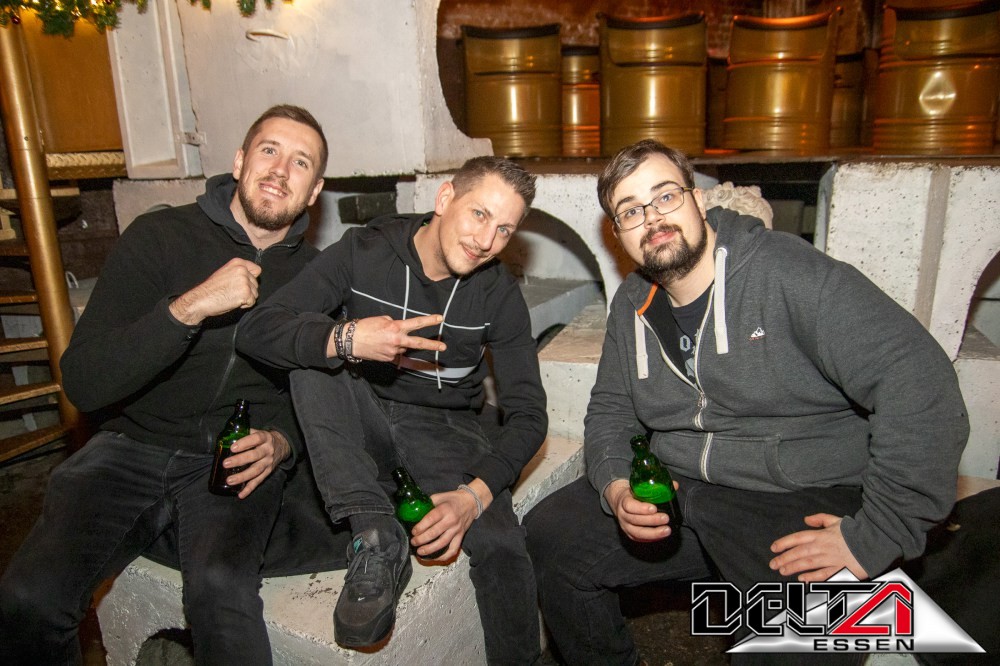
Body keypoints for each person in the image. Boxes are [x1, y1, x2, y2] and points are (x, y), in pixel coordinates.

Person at [523, 139, 970, 665]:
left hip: (793, 495)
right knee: (551, 537)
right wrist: (617, 486)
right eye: (631, 211)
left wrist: (876, 534)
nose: (653, 218)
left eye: (665, 196)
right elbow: (611, 410)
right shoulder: (631, 302)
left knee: (789, 646)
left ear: (697, 200)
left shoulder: (785, 273)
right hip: (683, 488)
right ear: (618, 234)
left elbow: (918, 380)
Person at [0, 105, 329, 665]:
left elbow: (330, 392)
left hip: (233, 459)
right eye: (269, 150)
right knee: (27, 600)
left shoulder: (318, 276)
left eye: (301, 162)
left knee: (222, 596)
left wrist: (283, 442)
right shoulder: (159, 236)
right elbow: (84, 381)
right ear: (240, 161)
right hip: (129, 445)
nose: (280, 170)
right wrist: (189, 307)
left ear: (314, 190)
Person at [236, 156, 548, 663]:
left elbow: (530, 414)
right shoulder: (364, 250)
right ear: (445, 199)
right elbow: (257, 330)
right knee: (317, 355)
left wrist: (473, 497)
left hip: (446, 427)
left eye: (504, 229)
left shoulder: (497, 293)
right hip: (360, 415)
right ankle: (375, 535)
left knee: (502, 547)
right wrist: (347, 338)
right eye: (479, 214)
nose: (486, 240)